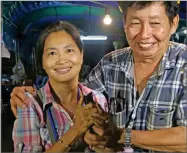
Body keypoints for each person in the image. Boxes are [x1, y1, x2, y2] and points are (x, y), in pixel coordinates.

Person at [10, 1, 187, 152]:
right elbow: (79, 99)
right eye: (135, 23)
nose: (145, 34)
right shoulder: (110, 64)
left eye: (155, 23)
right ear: (124, 24)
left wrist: (121, 136)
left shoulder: (184, 65)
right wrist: (30, 94)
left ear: (173, 24)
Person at [12, 21, 109, 152]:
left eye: (69, 50)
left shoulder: (98, 99)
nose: (61, 60)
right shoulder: (30, 105)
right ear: (42, 61)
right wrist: (76, 130)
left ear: (81, 54)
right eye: (52, 53)